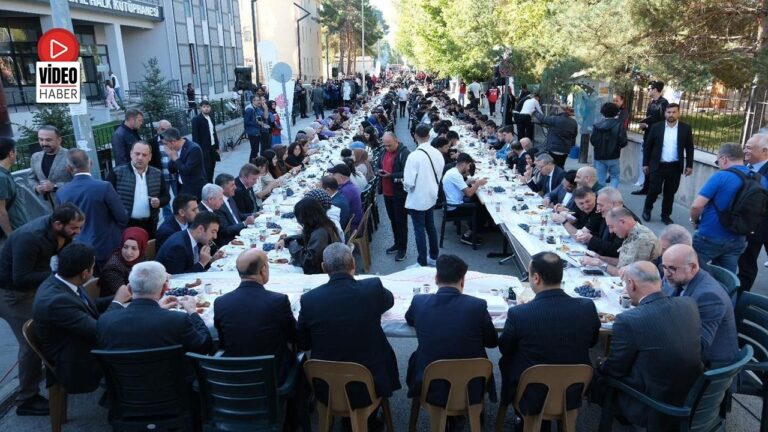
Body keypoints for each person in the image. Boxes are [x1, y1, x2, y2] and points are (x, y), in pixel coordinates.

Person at [0, 204, 84, 416]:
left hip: (32, 289)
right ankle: (26, 399)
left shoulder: (59, 230)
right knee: (31, 344)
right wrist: (59, 275)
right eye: (74, 228)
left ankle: (56, 380)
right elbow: (20, 277)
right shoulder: (29, 238)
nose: (78, 233)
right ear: (58, 224)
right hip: (12, 294)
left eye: (80, 227)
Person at [599, 261, 702, 430]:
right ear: (660, 281)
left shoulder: (629, 320)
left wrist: (601, 364)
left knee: (601, 375)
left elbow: (615, 370)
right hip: (695, 394)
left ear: (631, 284)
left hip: (654, 404)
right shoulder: (689, 304)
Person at [297, 243, 401, 409]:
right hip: (372, 382)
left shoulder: (309, 300)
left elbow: (303, 343)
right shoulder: (372, 288)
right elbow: (389, 300)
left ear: (324, 268)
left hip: (327, 386)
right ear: (353, 263)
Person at [499, 252, 600, 414]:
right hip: (572, 389)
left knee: (508, 360)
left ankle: (513, 407)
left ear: (536, 278)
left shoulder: (519, 313)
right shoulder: (587, 307)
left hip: (531, 391)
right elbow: (592, 342)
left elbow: (505, 348)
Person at [32, 243, 129, 395]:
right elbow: (99, 330)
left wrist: (123, 297)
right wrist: (117, 302)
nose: (93, 271)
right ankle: (125, 400)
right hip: (77, 360)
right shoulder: (56, 301)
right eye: (93, 267)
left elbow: (88, 305)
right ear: (85, 273)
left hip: (79, 341)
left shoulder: (63, 280)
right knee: (134, 342)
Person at [406, 255, 498, 411]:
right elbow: (492, 342)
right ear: (462, 281)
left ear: (436, 279)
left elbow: (409, 319)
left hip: (429, 382)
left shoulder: (419, 302)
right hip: (471, 384)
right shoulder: (478, 306)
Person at [96, 261, 213, 354]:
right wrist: (193, 312)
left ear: (130, 289)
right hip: (172, 382)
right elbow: (204, 346)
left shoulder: (106, 321)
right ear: (164, 291)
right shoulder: (178, 320)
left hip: (122, 382)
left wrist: (158, 309)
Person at [214, 249, 297, 380]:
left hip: (234, 377)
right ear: (263, 270)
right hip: (272, 376)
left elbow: (223, 342)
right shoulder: (278, 301)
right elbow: (293, 336)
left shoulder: (221, 302)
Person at [661, 244, 738, 367]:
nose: (666, 274)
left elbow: (698, 347)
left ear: (693, 267)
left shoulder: (709, 297)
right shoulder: (676, 277)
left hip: (708, 366)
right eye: (664, 267)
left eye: (672, 268)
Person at [56, 150, 128, 269]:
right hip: (108, 246)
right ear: (90, 163)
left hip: (80, 250)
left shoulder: (61, 192)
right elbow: (122, 217)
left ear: (68, 168)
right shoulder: (104, 187)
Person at [690, 143, 751, 273]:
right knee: (726, 278)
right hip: (738, 238)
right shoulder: (758, 178)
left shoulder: (721, 176)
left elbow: (697, 205)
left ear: (724, 159)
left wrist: (694, 221)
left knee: (690, 271)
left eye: (718, 161)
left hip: (709, 236)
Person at [641, 103, 694, 224]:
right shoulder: (656, 127)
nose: (671, 115)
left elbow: (689, 147)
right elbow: (648, 147)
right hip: (657, 165)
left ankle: (665, 215)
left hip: (675, 167)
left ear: (678, 113)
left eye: (674, 112)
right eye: (669, 112)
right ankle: (647, 210)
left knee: (670, 193)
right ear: (665, 113)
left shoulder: (685, 128)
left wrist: (689, 165)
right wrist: (645, 164)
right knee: (654, 190)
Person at [107, 141, 169, 239]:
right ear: (131, 154)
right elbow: (108, 200)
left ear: (150, 157)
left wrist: (159, 201)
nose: (140, 157)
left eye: (144, 155)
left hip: (150, 224)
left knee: (149, 251)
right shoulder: (117, 173)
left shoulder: (157, 174)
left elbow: (166, 196)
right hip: (127, 224)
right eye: (137, 154)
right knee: (130, 253)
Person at [404, 124, 445, 267]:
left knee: (419, 230)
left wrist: (405, 185)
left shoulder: (414, 156)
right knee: (430, 227)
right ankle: (433, 256)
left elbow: (408, 183)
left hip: (418, 198)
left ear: (415, 136)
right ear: (428, 136)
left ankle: (422, 261)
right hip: (432, 194)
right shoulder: (437, 153)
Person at [581, 207, 661, 276]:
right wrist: (600, 258)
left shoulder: (642, 240)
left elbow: (628, 275)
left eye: (611, 227)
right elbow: (624, 262)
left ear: (622, 222)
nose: (610, 231)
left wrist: (600, 263)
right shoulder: (632, 232)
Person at [738, 133, 768, 292]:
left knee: (748, 261)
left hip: (762, 225)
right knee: (746, 261)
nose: (745, 150)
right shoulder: (744, 166)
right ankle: (740, 295)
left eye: (749, 148)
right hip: (746, 224)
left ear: (764, 151)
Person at [277, 198, 339, 274]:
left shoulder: (320, 233)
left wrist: (291, 244)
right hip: (321, 267)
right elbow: (308, 237)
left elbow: (309, 260)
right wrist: (287, 240)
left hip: (318, 273)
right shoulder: (323, 223)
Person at [376, 132, 410, 260]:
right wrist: (378, 170)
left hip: (399, 193)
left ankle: (403, 248)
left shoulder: (404, 153)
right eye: (385, 145)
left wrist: (390, 175)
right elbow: (379, 164)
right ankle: (397, 243)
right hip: (387, 192)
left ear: (397, 140)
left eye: (389, 145)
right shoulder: (383, 151)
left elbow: (408, 173)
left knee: (401, 221)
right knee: (393, 220)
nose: (387, 148)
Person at [155, 211, 224, 274]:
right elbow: (178, 278)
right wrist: (202, 263)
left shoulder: (197, 239)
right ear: (200, 229)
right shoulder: (178, 247)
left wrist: (212, 260)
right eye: (213, 232)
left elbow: (191, 267)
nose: (215, 236)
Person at [442, 153, 488, 245]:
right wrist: (477, 183)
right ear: (463, 164)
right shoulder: (456, 175)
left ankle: (473, 228)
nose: (468, 168)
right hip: (453, 208)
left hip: (452, 203)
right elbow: (470, 193)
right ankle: (467, 235)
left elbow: (459, 185)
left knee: (477, 202)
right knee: (483, 209)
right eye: (468, 166)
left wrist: (470, 181)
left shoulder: (453, 171)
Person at [632, 81, 669, 195]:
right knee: (646, 162)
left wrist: (648, 125)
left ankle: (653, 189)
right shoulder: (651, 103)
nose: (647, 91)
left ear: (655, 89)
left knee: (654, 164)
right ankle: (646, 187)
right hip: (648, 136)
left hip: (657, 138)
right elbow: (649, 118)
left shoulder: (664, 103)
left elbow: (662, 122)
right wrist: (644, 125)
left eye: (649, 89)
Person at [574, 187, 626, 258]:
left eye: (600, 205)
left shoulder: (623, 220)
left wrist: (591, 239)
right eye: (597, 205)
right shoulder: (608, 213)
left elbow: (617, 250)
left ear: (615, 204)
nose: (598, 209)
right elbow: (601, 238)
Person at [28, 125, 72, 206]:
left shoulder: (71, 156)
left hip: (71, 207)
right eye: (41, 139)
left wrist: (55, 186)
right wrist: (36, 188)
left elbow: (80, 182)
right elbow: (31, 178)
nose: (44, 143)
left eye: (48, 140)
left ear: (59, 140)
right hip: (50, 209)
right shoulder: (35, 157)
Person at [100, 227, 149, 296]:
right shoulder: (113, 268)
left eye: (134, 249)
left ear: (141, 249)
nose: (128, 252)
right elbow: (124, 295)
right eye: (125, 247)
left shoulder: (141, 256)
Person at [199, 182, 251, 247]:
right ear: (210, 200)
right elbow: (210, 240)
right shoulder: (201, 215)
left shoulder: (212, 209)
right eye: (220, 199)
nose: (222, 202)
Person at [591, 102, 628, 188]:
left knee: (600, 180)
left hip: (599, 156)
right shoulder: (619, 125)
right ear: (616, 112)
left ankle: (601, 198)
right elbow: (623, 141)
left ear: (603, 112)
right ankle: (611, 197)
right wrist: (617, 147)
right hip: (614, 156)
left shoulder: (597, 125)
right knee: (615, 177)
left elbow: (593, 141)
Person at [163, 127, 207, 199]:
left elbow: (185, 170)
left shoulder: (194, 149)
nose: (165, 147)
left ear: (173, 142)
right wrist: (171, 157)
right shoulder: (175, 149)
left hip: (195, 190)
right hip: (182, 187)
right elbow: (171, 170)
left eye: (166, 144)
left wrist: (175, 158)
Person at [0, 137, 28, 236]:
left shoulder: (5, 174)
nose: (17, 153)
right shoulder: (1, 177)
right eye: (16, 151)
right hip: (15, 231)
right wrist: (11, 236)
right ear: (11, 153)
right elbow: (1, 210)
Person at [191, 100, 220, 184]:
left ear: (210, 108)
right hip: (203, 148)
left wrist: (217, 147)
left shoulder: (211, 118)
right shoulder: (196, 120)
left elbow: (214, 133)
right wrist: (197, 150)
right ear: (200, 108)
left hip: (212, 147)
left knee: (212, 166)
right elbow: (195, 136)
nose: (206, 109)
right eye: (204, 107)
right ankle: (207, 185)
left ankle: (210, 183)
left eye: (207, 107)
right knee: (206, 168)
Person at [328, 163, 363, 231]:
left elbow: (336, 209)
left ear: (341, 177)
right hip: (353, 222)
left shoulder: (346, 191)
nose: (331, 177)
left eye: (333, 175)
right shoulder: (348, 186)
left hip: (351, 227)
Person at [244, 95, 271, 161]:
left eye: (259, 100)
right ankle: (251, 165)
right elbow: (246, 122)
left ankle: (253, 164)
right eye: (257, 100)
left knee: (255, 150)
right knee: (254, 150)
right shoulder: (249, 109)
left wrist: (266, 108)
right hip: (252, 133)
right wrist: (258, 123)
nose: (259, 101)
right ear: (253, 101)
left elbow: (265, 117)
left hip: (257, 132)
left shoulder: (256, 108)